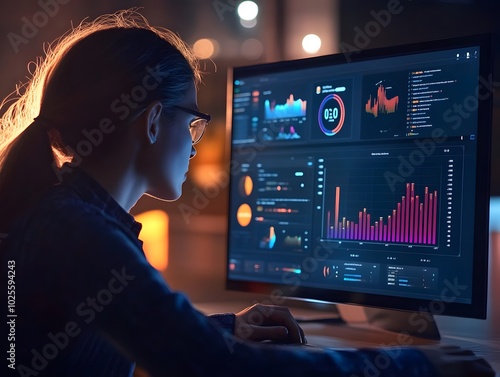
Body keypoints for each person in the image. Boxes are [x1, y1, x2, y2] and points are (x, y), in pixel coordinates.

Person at [0, 9, 494, 377]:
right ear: (152, 121)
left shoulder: (67, 217)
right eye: (192, 123)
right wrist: (417, 365)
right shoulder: (79, 232)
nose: (195, 146)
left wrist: (227, 327)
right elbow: (211, 367)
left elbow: (159, 335)